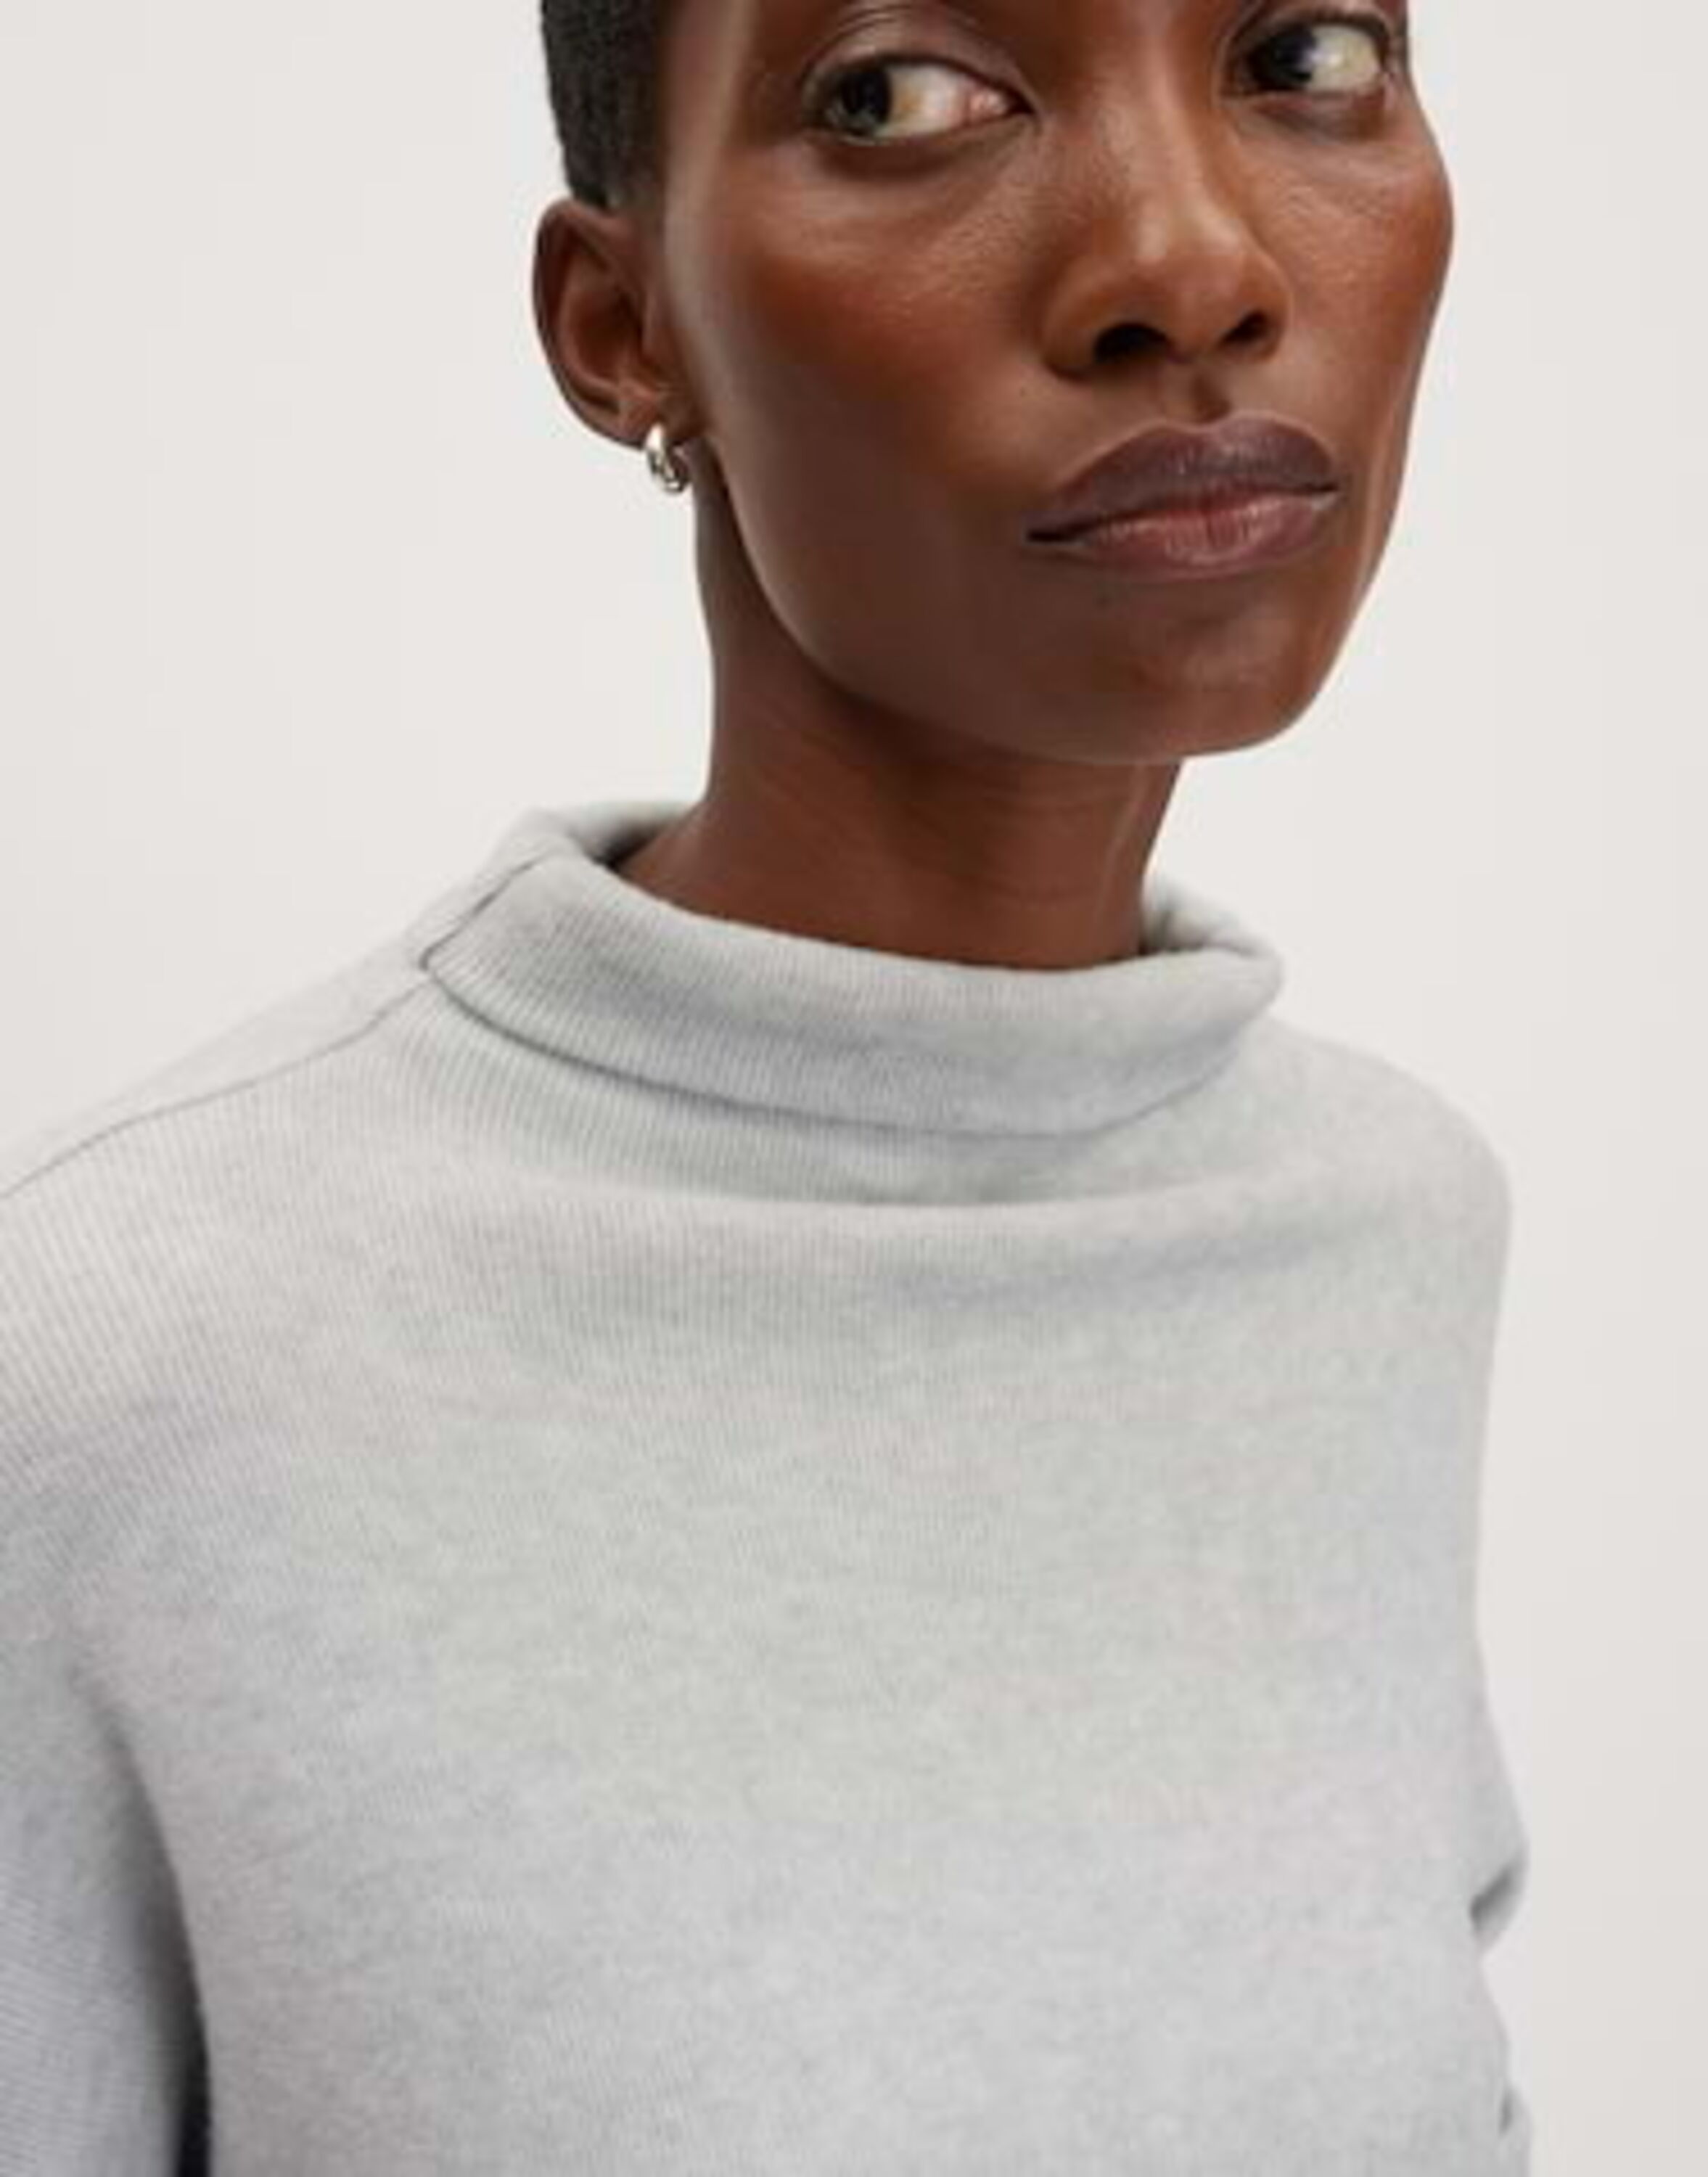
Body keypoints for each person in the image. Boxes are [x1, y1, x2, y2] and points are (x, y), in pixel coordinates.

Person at [0, 2, 1533, 2170]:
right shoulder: (123, 1357)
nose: (1193, 266)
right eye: (899, 96)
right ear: (623, 329)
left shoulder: (1383, 1221)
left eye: (1300, 54)